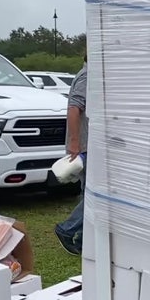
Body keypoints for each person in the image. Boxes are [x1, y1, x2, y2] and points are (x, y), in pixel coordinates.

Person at [55, 55, 88, 255]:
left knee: (88, 193)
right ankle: (67, 229)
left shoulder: (91, 75)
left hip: (89, 144)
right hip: (86, 146)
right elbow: (74, 109)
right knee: (95, 197)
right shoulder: (87, 76)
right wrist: (75, 144)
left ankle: (84, 240)